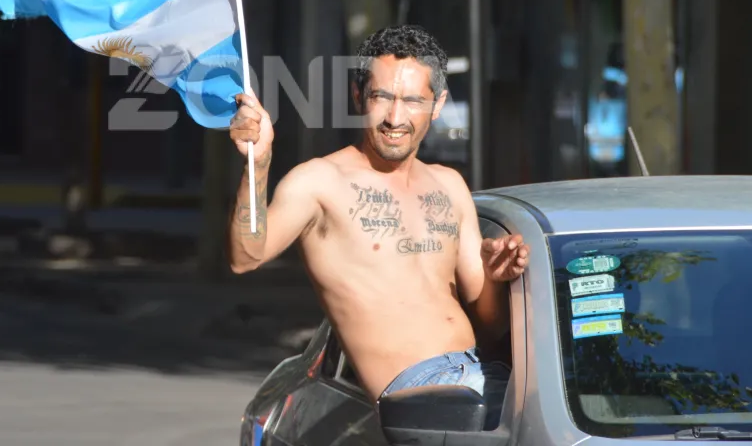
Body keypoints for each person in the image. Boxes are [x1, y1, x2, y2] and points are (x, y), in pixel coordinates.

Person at [227, 25, 529, 428]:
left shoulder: (449, 185)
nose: (394, 118)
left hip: (490, 378)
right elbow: (246, 257)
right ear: (358, 97)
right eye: (381, 97)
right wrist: (257, 163)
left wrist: (497, 278)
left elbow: (489, 328)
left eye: (412, 101)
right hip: (424, 399)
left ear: (437, 104)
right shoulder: (320, 181)